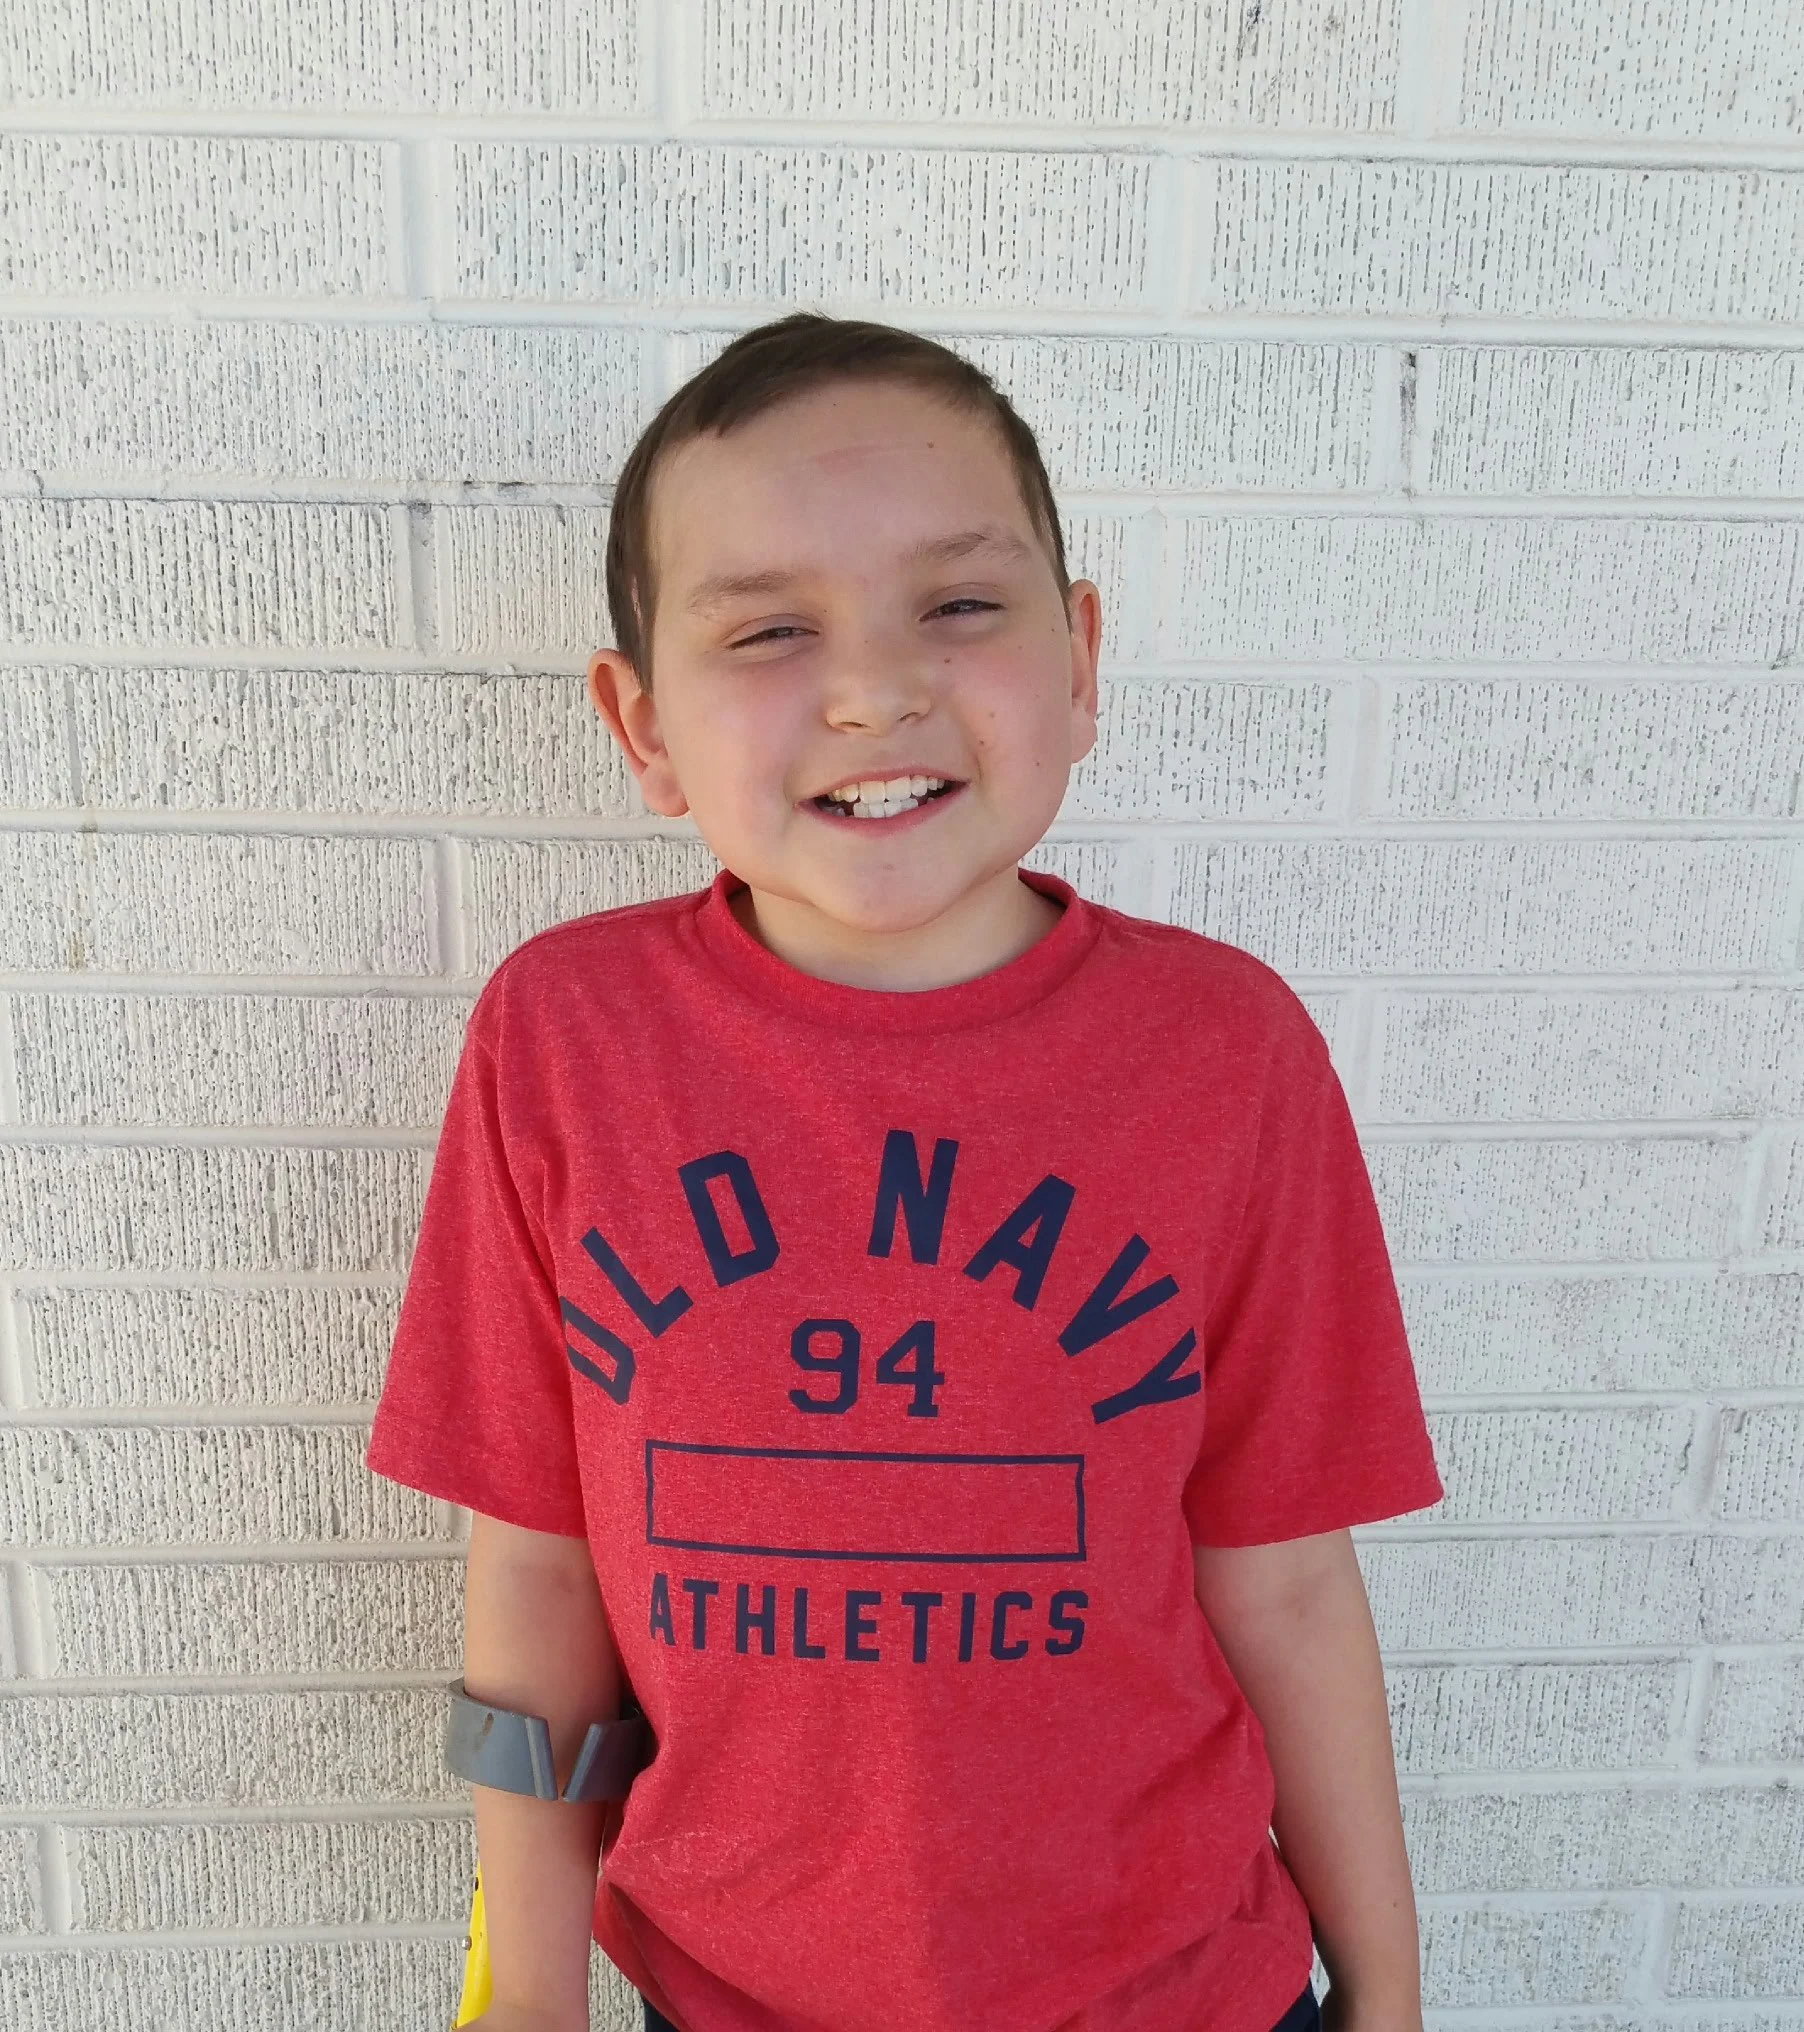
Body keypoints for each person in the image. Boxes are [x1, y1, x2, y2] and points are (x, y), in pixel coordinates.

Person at [367, 312, 1445, 2032]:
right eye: (772, 628)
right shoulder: (562, 1043)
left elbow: (1290, 1582)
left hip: (1183, 1991)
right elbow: (542, 1570)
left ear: (1081, 661)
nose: (877, 686)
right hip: (725, 1993)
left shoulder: (1228, 1057)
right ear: (641, 728)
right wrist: (529, 1994)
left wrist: (1388, 1988)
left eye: (959, 604)